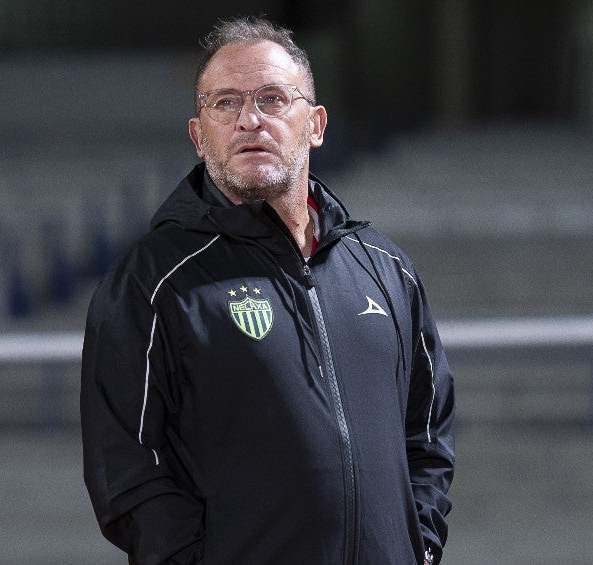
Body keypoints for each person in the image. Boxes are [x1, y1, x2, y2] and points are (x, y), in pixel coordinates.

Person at [81, 16, 456, 565]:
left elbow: (428, 432)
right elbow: (126, 469)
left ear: (316, 123)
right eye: (225, 104)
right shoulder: (151, 283)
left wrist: (416, 545)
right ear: (198, 133)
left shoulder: (385, 268)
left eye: (273, 99)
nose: (249, 120)